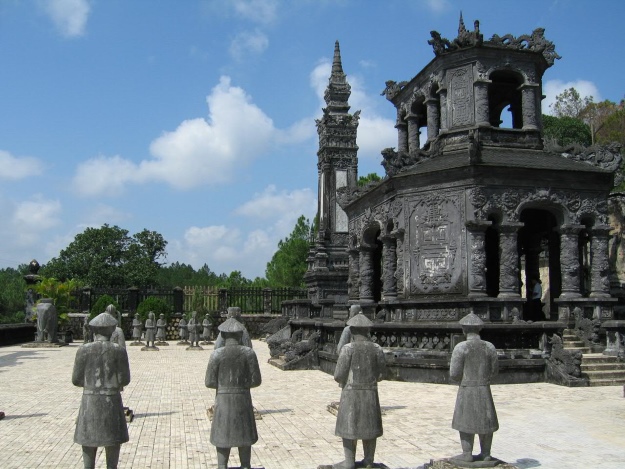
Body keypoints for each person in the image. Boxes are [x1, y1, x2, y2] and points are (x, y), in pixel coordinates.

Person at [72, 312, 131, 469]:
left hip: (89, 402)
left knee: (88, 441)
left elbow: (76, 380)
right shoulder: (119, 351)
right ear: (112, 329)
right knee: (112, 442)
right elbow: (124, 379)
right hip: (111, 400)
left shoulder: (83, 350)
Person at [205, 318, 261, 469]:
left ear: (222, 336)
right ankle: (245, 465)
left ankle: (222, 466)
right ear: (240, 335)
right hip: (243, 399)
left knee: (222, 436)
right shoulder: (249, 353)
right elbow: (256, 381)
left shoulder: (216, 355)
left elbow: (209, 382)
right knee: (245, 437)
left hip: (223, 401)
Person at [332, 313, 386, 469]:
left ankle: (349, 461)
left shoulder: (347, 349)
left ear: (353, 330)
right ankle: (369, 460)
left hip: (350, 393)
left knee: (349, 426)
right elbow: (382, 374)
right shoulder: (377, 349)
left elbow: (338, 375)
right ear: (368, 331)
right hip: (371, 393)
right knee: (370, 425)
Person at [450, 313, 499, 463]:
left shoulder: (461, 348)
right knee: (486, 420)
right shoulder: (489, 347)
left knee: (465, 420)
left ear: (464, 330)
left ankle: (467, 452)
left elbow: (454, 373)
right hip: (484, 388)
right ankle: (486, 453)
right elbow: (494, 371)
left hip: (467, 388)